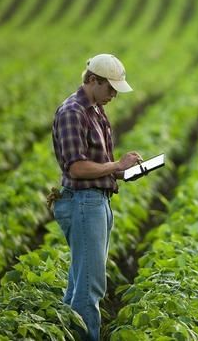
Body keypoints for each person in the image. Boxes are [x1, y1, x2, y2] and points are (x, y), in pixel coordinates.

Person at [50, 53, 142, 341]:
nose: (114, 94)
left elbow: (97, 162)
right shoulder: (72, 112)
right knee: (89, 286)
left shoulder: (96, 110)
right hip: (83, 203)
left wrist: (123, 171)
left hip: (97, 200)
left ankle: (68, 334)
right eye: (110, 88)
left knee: (80, 283)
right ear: (92, 80)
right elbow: (76, 167)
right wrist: (116, 165)